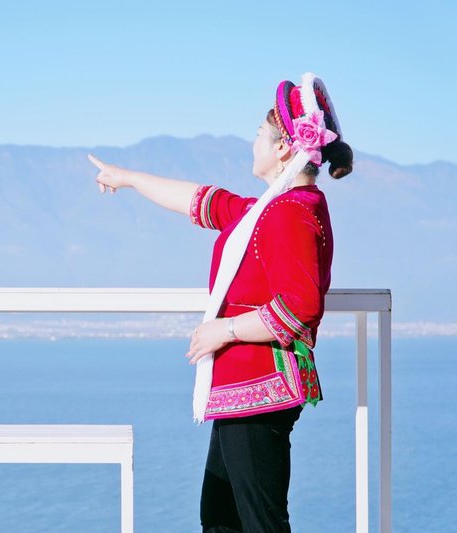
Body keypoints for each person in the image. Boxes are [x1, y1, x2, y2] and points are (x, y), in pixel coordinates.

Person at [88, 73, 353, 532]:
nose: (252, 142)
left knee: (258, 522)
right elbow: (203, 200)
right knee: (221, 519)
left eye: (258, 134)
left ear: (282, 148)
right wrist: (128, 178)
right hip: (245, 389)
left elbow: (301, 306)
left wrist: (224, 330)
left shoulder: (288, 213)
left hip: (259, 389)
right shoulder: (271, 210)